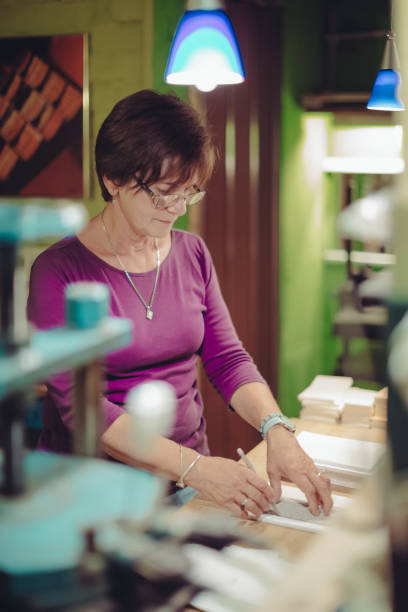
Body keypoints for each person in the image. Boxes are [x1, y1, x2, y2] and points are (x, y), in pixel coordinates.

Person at [27, 89, 332, 519]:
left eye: (189, 192)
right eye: (162, 193)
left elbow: (227, 359)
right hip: (92, 496)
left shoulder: (191, 253)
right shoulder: (58, 271)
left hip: (183, 490)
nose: (177, 209)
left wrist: (277, 429)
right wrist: (197, 469)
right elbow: (83, 409)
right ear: (113, 179)